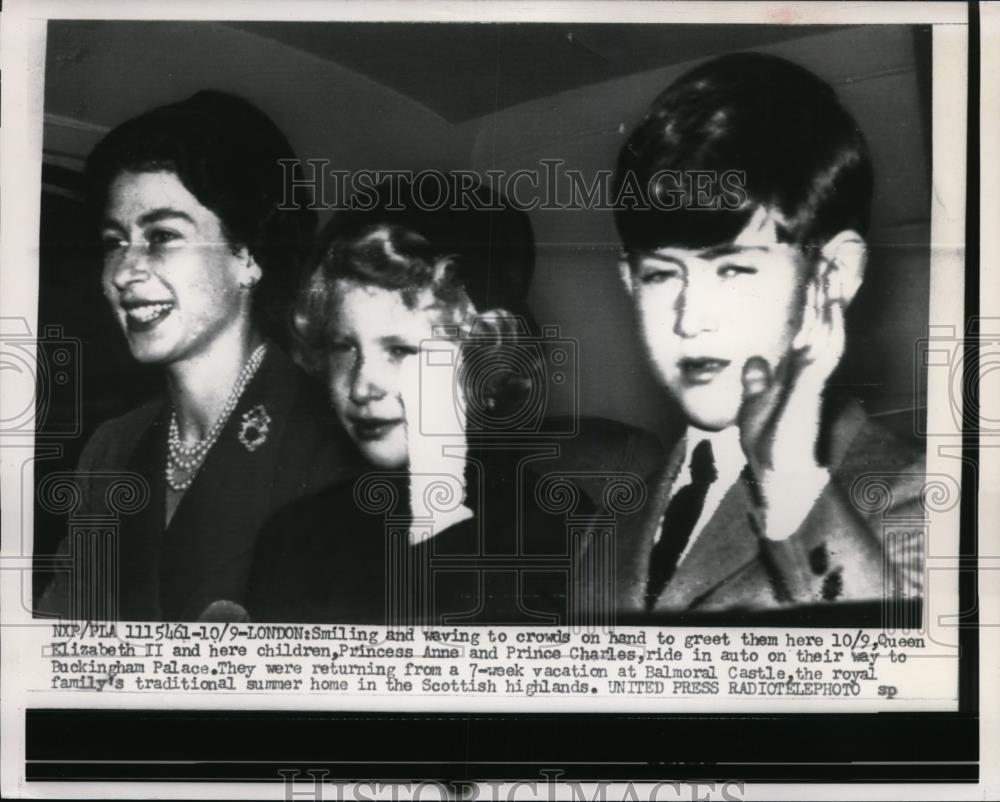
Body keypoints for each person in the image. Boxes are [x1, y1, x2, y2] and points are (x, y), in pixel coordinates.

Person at [589, 52, 925, 619]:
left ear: (833, 275)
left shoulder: (932, 498)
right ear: (628, 280)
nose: (689, 319)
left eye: (734, 270)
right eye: (660, 275)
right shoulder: (605, 528)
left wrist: (788, 478)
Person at [38, 90, 359, 622]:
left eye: (162, 235)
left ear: (247, 257)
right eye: (115, 242)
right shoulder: (111, 448)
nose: (123, 272)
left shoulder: (333, 441)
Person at [247, 180, 580, 625]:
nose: (362, 386)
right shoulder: (294, 538)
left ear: (482, 358)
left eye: (401, 350)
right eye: (344, 347)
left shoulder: (557, 534)